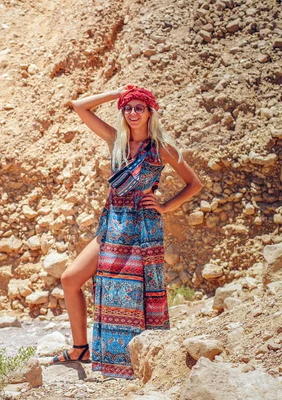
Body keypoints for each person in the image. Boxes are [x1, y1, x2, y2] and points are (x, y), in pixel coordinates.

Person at [49, 85, 202, 380]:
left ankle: (142, 358)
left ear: (149, 112)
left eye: (139, 107)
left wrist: (165, 206)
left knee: (138, 293)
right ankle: (81, 347)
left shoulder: (161, 148)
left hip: (142, 228)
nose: (133, 113)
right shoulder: (115, 140)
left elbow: (194, 184)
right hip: (113, 224)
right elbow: (79, 106)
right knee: (70, 278)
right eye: (127, 107)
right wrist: (120, 91)